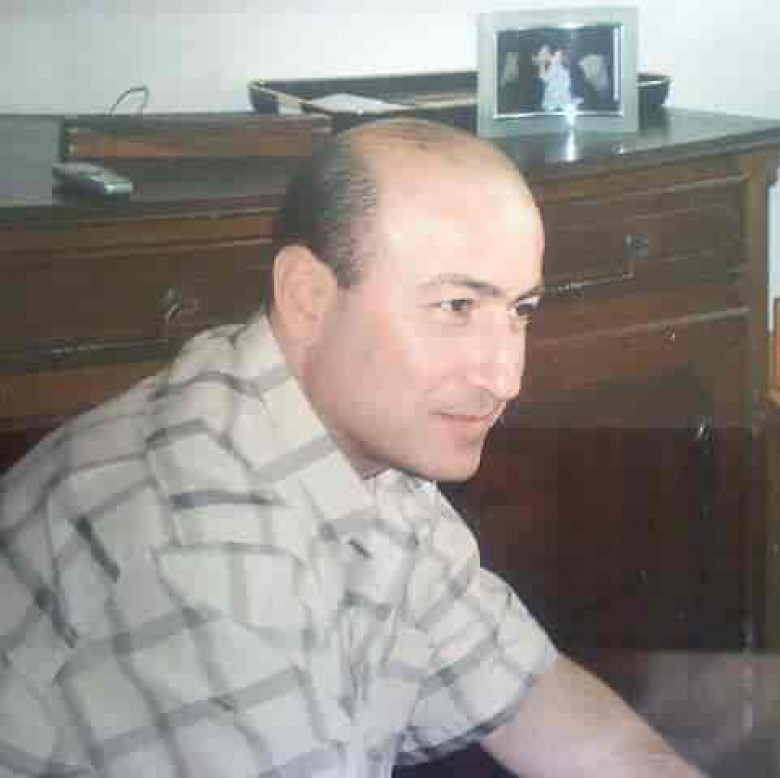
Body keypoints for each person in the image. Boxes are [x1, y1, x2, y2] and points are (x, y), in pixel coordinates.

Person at [0, 118, 704, 777]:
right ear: (307, 295)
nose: (504, 378)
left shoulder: (357, 453)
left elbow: (540, 704)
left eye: (519, 310)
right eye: (456, 307)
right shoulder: (202, 546)